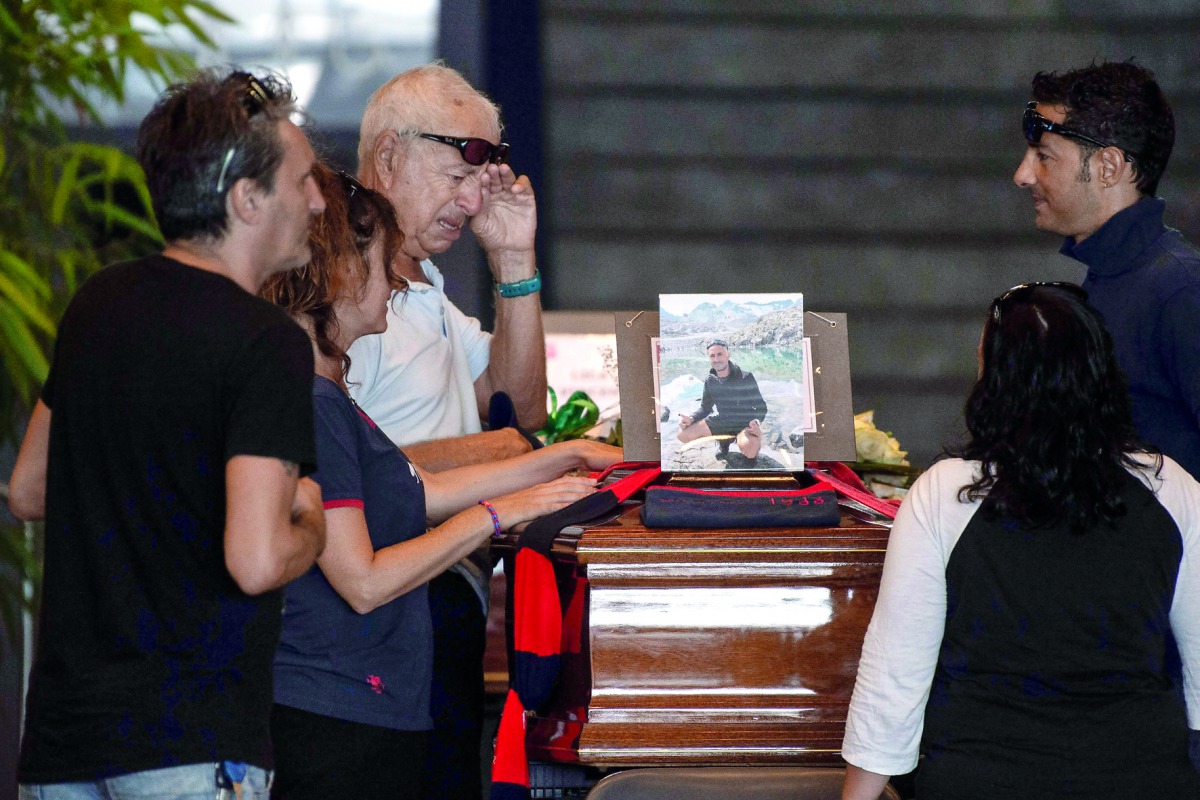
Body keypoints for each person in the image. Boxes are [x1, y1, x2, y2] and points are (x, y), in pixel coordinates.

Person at [8, 69, 327, 798]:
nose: (315, 201)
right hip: (192, 740)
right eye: (303, 181)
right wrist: (309, 519)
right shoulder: (264, 341)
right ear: (247, 199)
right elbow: (255, 559)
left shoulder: (98, 304)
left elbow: (27, 489)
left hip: (66, 738)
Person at [260, 164, 620, 800]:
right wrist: (502, 511)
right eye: (383, 267)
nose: (395, 289)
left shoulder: (328, 397)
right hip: (333, 707)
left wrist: (563, 457)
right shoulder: (310, 400)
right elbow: (364, 581)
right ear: (341, 271)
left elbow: (417, 489)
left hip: (368, 701)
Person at [840, 283, 1200, 800]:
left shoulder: (944, 493)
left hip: (979, 776)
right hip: (1140, 774)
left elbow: (895, 675)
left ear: (995, 378)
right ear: (1100, 371)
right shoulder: (1172, 487)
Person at [349, 62, 549, 797]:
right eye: (459, 167)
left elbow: (518, 408)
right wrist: (517, 459)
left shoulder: (423, 286)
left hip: (447, 593)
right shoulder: (339, 291)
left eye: (485, 171)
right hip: (379, 603)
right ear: (390, 155)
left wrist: (514, 261)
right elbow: (343, 465)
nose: (472, 200)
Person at [1013, 61, 1200, 479]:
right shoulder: (1111, 281)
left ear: (1109, 167)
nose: (1022, 175)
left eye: (1043, 156)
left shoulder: (1182, 290)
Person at [677, 339, 768, 460]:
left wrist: (756, 422)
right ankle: (724, 443)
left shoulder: (745, 377)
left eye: (720, 354)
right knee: (683, 435)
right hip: (723, 421)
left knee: (750, 451)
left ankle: (747, 442)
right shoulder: (710, 381)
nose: (716, 359)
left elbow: (761, 406)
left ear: (727, 355)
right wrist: (692, 418)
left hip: (745, 422)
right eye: (712, 356)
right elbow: (705, 408)